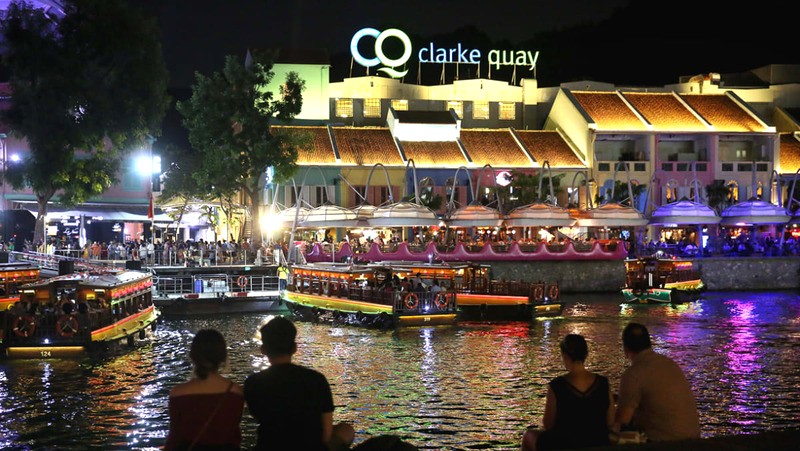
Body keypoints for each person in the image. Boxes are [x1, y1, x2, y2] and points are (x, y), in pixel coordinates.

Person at [244, 316, 354, 451]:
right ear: (294, 348)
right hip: (310, 446)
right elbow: (326, 432)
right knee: (346, 430)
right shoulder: (316, 379)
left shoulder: (253, 383)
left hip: (270, 445)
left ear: (263, 350)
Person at [521, 334, 614, 451]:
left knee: (528, 436)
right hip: (597, 442)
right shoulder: (603, 383)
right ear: (586, 354)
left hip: (563, 444)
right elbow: (610, 421)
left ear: (565, 356)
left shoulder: (557, 385)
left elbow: (548, 425)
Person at [613, 323, 701, 442]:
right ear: (649, 343)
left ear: (625, 348)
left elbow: (622, 420)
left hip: (665, 443)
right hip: (694, 438)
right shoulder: (670, 364)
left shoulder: (634, 373)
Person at [165, 329, 244, 451]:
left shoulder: (177, 393)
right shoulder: (235, 392)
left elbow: (175, 437)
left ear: (192, 356)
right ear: (223, 357)